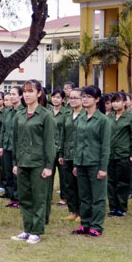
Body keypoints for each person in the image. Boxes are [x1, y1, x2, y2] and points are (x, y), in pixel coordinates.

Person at [11, 80, 55, 244]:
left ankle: (36, 230)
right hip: (23, 162)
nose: (27, 94)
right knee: (24, 197)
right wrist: (15, 162)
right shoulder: (19, 115)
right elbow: (16, 140)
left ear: (39, 94)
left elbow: (50, 142)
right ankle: (27, 228)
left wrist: (49, 166)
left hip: (38, 163)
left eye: (31, 91)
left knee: (39, 197)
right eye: (25, 91)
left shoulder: (45, 115)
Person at [72, 85, 111, 237]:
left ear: (97, 99)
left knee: (98, 196)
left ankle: (97, 225)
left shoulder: (103, 120)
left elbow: (105, 146)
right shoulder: (81, 117)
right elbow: (77, 142)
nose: (85, 99)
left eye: (88, 97)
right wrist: (76, 163)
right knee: (84, 196)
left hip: (95, 163)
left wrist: (103, 168)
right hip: (82, 162)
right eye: (84, 96)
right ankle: (85, 223)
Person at [108, 92, 132, 217]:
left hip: (123, 154)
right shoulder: (109, 117)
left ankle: (121, 207)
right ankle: (112, 207)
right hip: (110, 155)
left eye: (118, 101)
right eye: (113, 101)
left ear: (125, 102)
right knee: (110, 182)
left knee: (122, 182)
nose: (115, 104)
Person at [59, 88, 83, 222]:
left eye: (75, 98)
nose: (72, 100)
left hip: (80, 155)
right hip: (68, 154)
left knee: (80, 185)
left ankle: (82, 212)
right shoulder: (67, 115)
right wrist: (61, 153)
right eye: (71, 98)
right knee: (69, 185)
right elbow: (63, 135)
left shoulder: (86, 115)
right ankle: (73, 211)